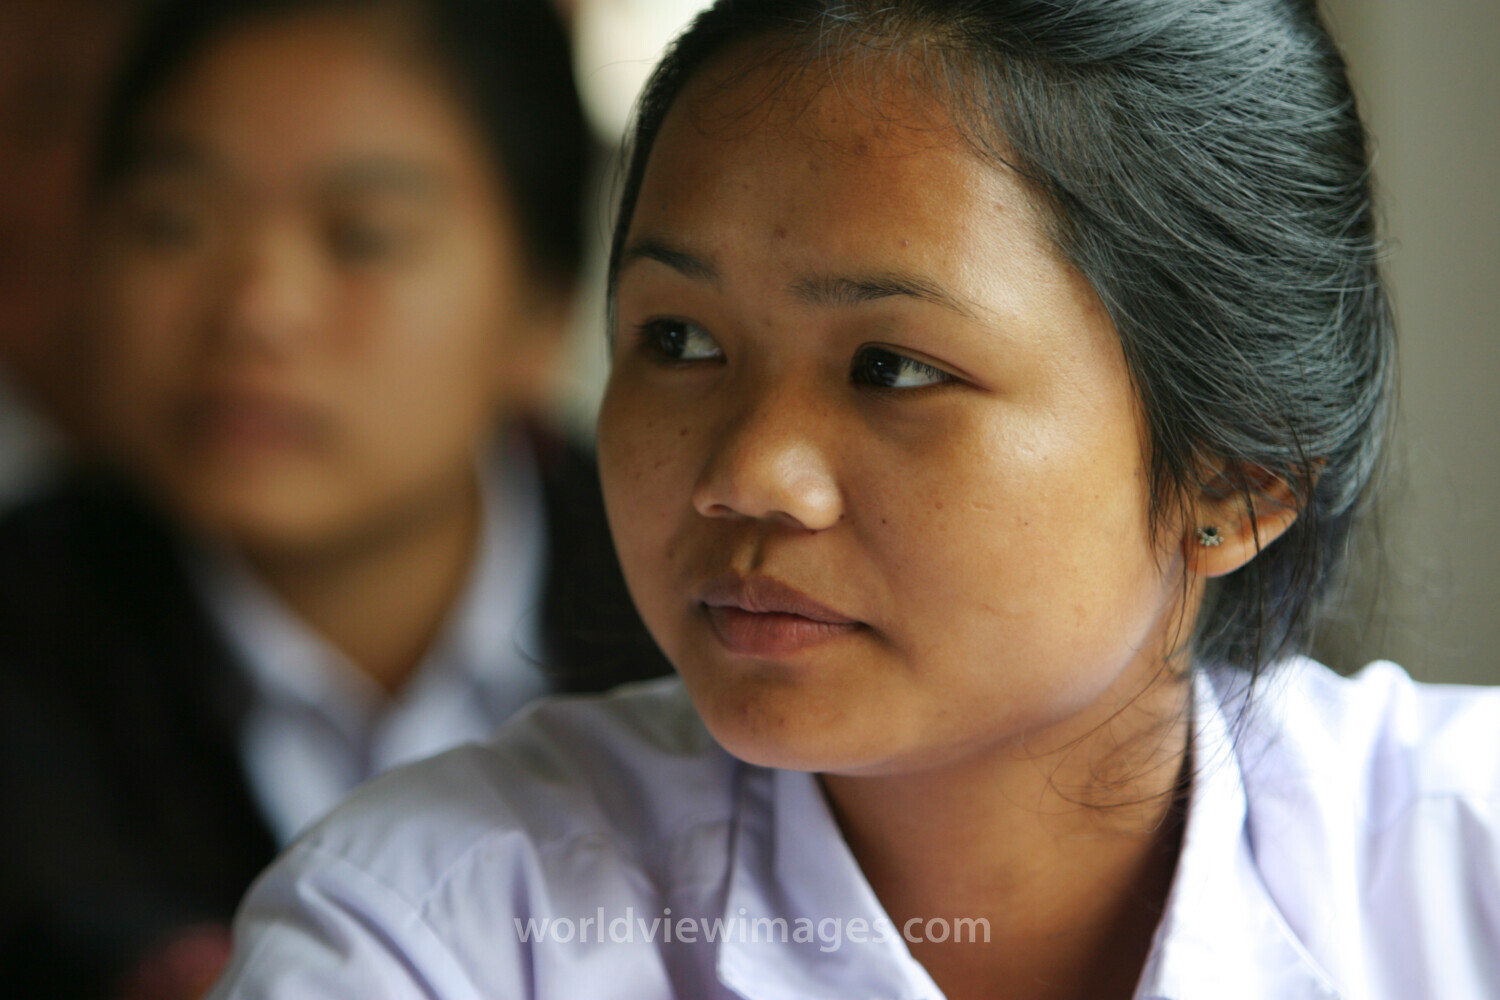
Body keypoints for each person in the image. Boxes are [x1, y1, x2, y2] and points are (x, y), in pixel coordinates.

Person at [209, 2, 1499, 998]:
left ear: (1233, 475)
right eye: (678, 342)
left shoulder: (1461, 865)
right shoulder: (435, 933)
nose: (743, 472)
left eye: (892, 368)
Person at [0, 0, 666, 996]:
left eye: (362, 237)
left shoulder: (703, 604)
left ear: (544, 303)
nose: (257, 308)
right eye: (173, 222)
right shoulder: (28, 643)